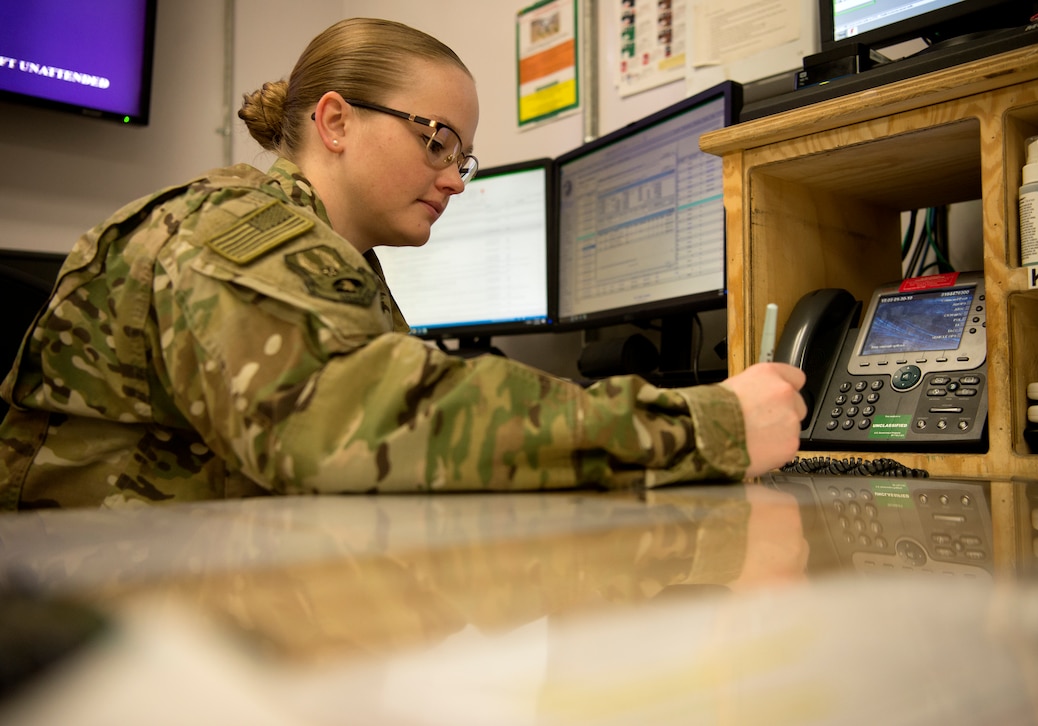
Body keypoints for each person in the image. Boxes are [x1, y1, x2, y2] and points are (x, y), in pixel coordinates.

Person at [0, 18, 806, 510]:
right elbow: (361, 423)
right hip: (92, 628)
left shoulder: (330, 260)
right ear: (337, 121)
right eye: (436, 139)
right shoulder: (229, 226)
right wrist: (712, 426)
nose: (456, 175)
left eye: (465, 155)